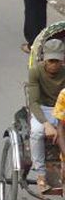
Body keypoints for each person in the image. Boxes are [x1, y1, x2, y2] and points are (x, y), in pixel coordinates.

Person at [26, 37, 65, 189]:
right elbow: (33, 102)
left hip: (61, 107)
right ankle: (41, 173)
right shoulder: (35, 71)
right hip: (42, 108)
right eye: (51, 61)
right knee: (36, 132)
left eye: (58, 61)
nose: (54, 65)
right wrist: (46, 124)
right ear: (44, 59)